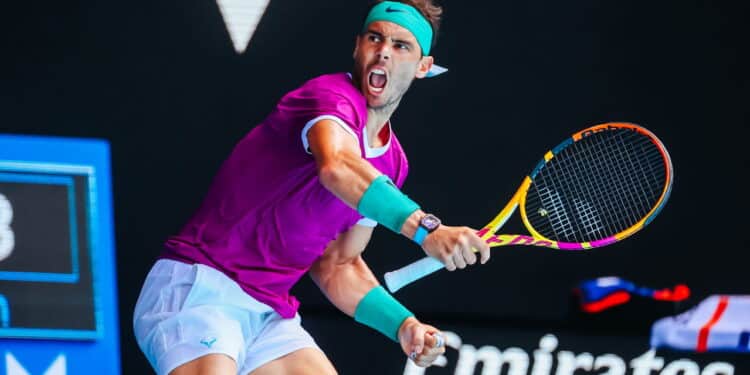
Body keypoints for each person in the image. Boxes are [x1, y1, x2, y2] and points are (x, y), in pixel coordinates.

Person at [133, 1, 491, 374]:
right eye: (375, 38)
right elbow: (337, 166)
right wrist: (426, 229)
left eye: (401, 45)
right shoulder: (329, 98)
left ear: (423, 67)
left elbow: (338, 264)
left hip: (268, 314)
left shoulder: (393, 164)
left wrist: (403, 325)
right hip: (201, 287)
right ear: (358, 46)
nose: (384, 50)